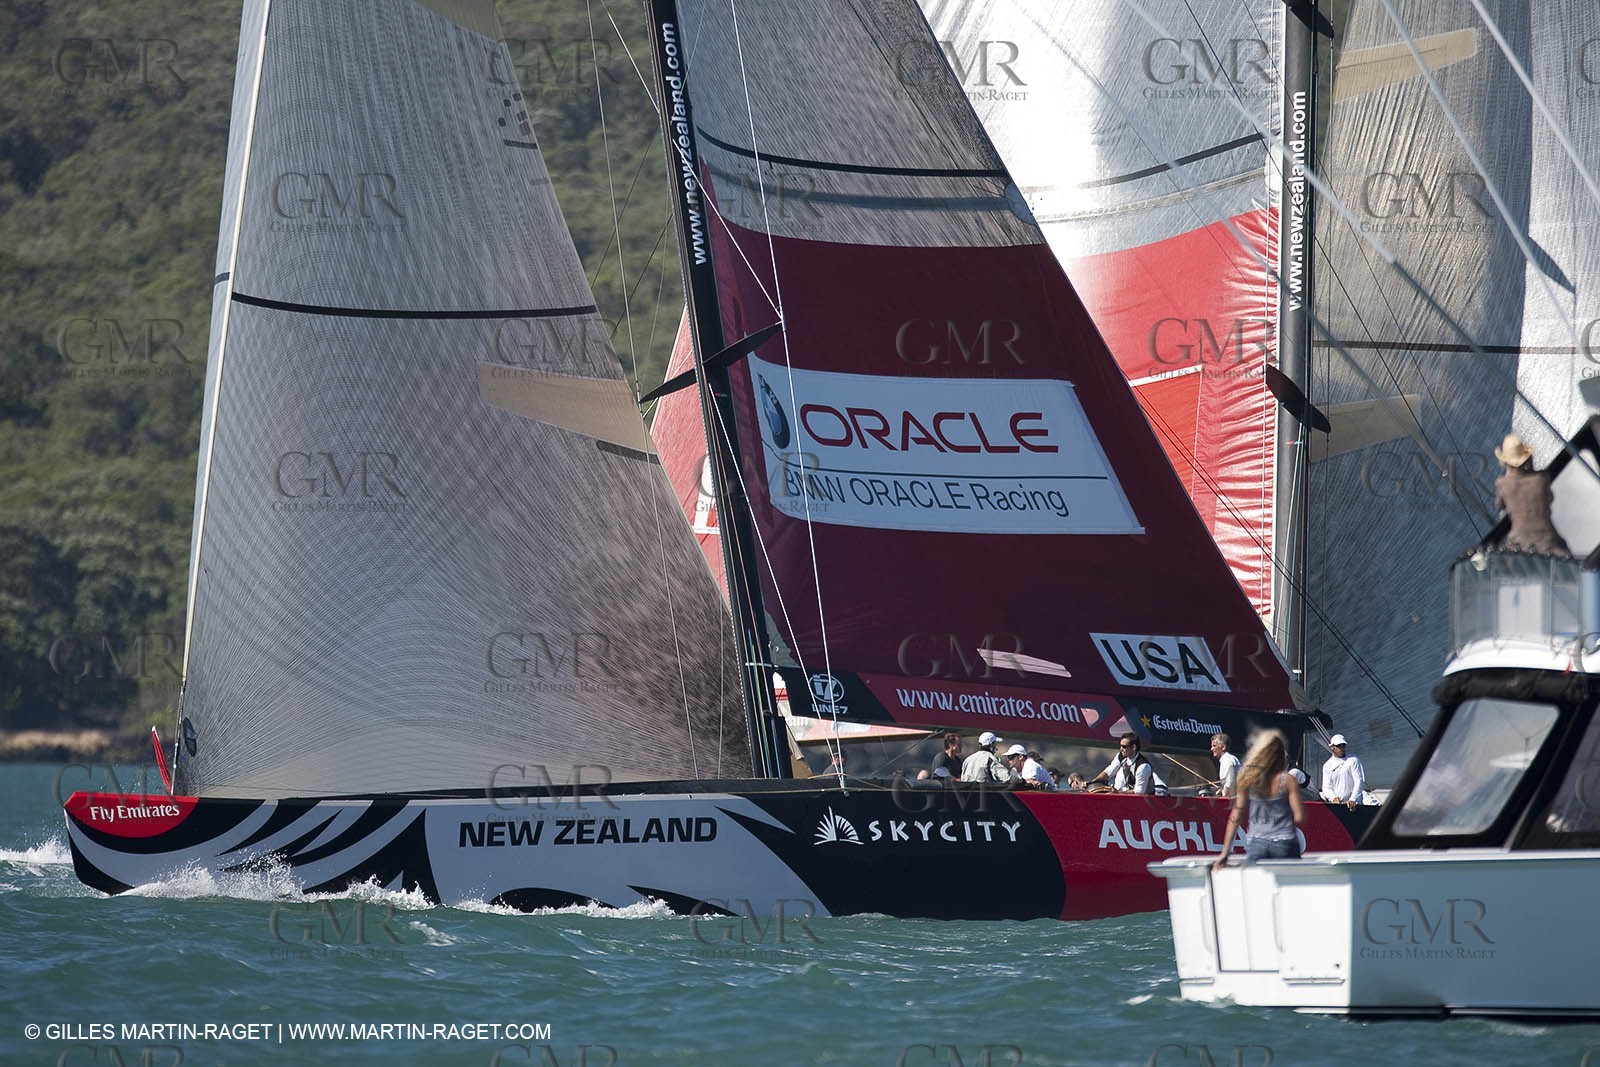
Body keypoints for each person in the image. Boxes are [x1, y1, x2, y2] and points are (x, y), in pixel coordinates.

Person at [1213, 729, 1305, 867]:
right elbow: (1299, 816)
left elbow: (1235, 816)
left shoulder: (1247, 778)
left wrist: (1225, 851)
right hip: (1284, 841)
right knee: (1288, 885)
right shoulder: (1288, 780)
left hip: (1256, 842)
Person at [1493, 433, 1571, 556]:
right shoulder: (1541, 479)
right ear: (1527, 458)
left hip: (1519, 543)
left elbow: (1499, 505)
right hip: (1549, 540)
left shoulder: (1502, 484)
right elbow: (1550, 498)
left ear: (1505, 462)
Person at [1087, 736, 1165, 795]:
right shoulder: (1121, 756)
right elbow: (1109, 772)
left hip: (1152, 799)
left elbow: (1139, 792)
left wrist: (1117, 792)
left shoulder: (1143, 766)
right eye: (1120, 746)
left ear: (1134, 747)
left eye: (1124, 747)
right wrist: (1091, 784)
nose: (1121, 749)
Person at [1320, 733, 1368, 808]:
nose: (1342, 748)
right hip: (1338, 807)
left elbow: (1359, 781)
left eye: (1343, 745)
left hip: (1355, 806)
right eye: (1339, 746)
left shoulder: (1353, 760)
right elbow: (1326, 787)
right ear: (1332, 747)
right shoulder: (1327, 765)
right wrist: (1333, 798)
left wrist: (1353, 799)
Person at [1211, 733, 1241, 797]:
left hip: (1232, 801)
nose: (1212, 749)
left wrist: (1225, 794)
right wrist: (1222, 790)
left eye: (1214, 745)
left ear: (1223, 747)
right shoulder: (1232, 758)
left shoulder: (1227, 760)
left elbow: (1230, 781)